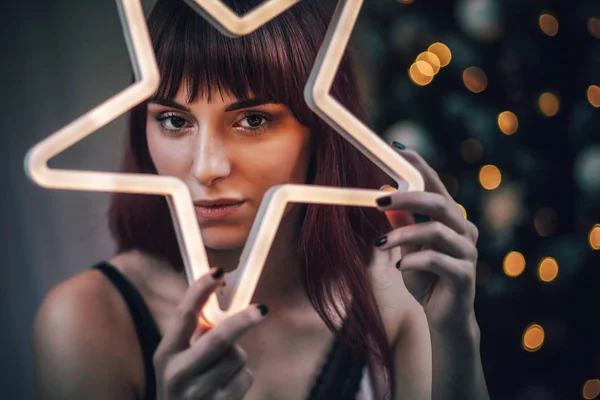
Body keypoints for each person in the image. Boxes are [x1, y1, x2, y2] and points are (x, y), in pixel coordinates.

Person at [32, 0, 490, 399]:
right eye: (174, 120)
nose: (206, 167)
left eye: (252, 119)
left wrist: (455, 334)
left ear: (323, 129)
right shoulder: (86, 322)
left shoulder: (394, 293)